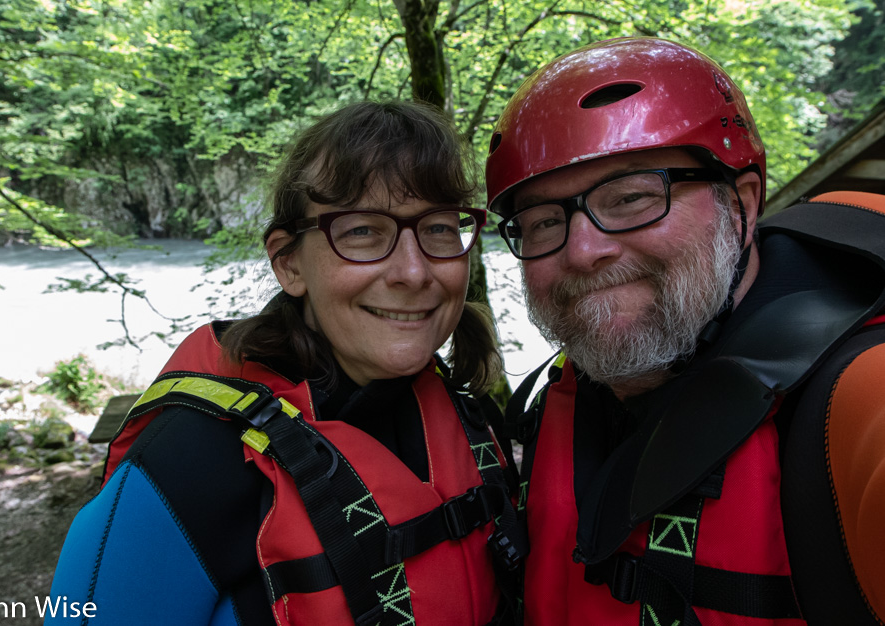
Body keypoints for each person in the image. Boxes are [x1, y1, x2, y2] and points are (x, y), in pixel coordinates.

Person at [46, 100, 523, 625]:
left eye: (437, 228)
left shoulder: (472, 418)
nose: (413, 272)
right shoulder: (192, 460)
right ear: (289, 263)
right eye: (362, 230)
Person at [485, 37, 885, 625]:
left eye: (630, 197)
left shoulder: (858, 398)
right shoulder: (565, 398)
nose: (582, 250)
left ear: (741, 203)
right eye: (543, 221)